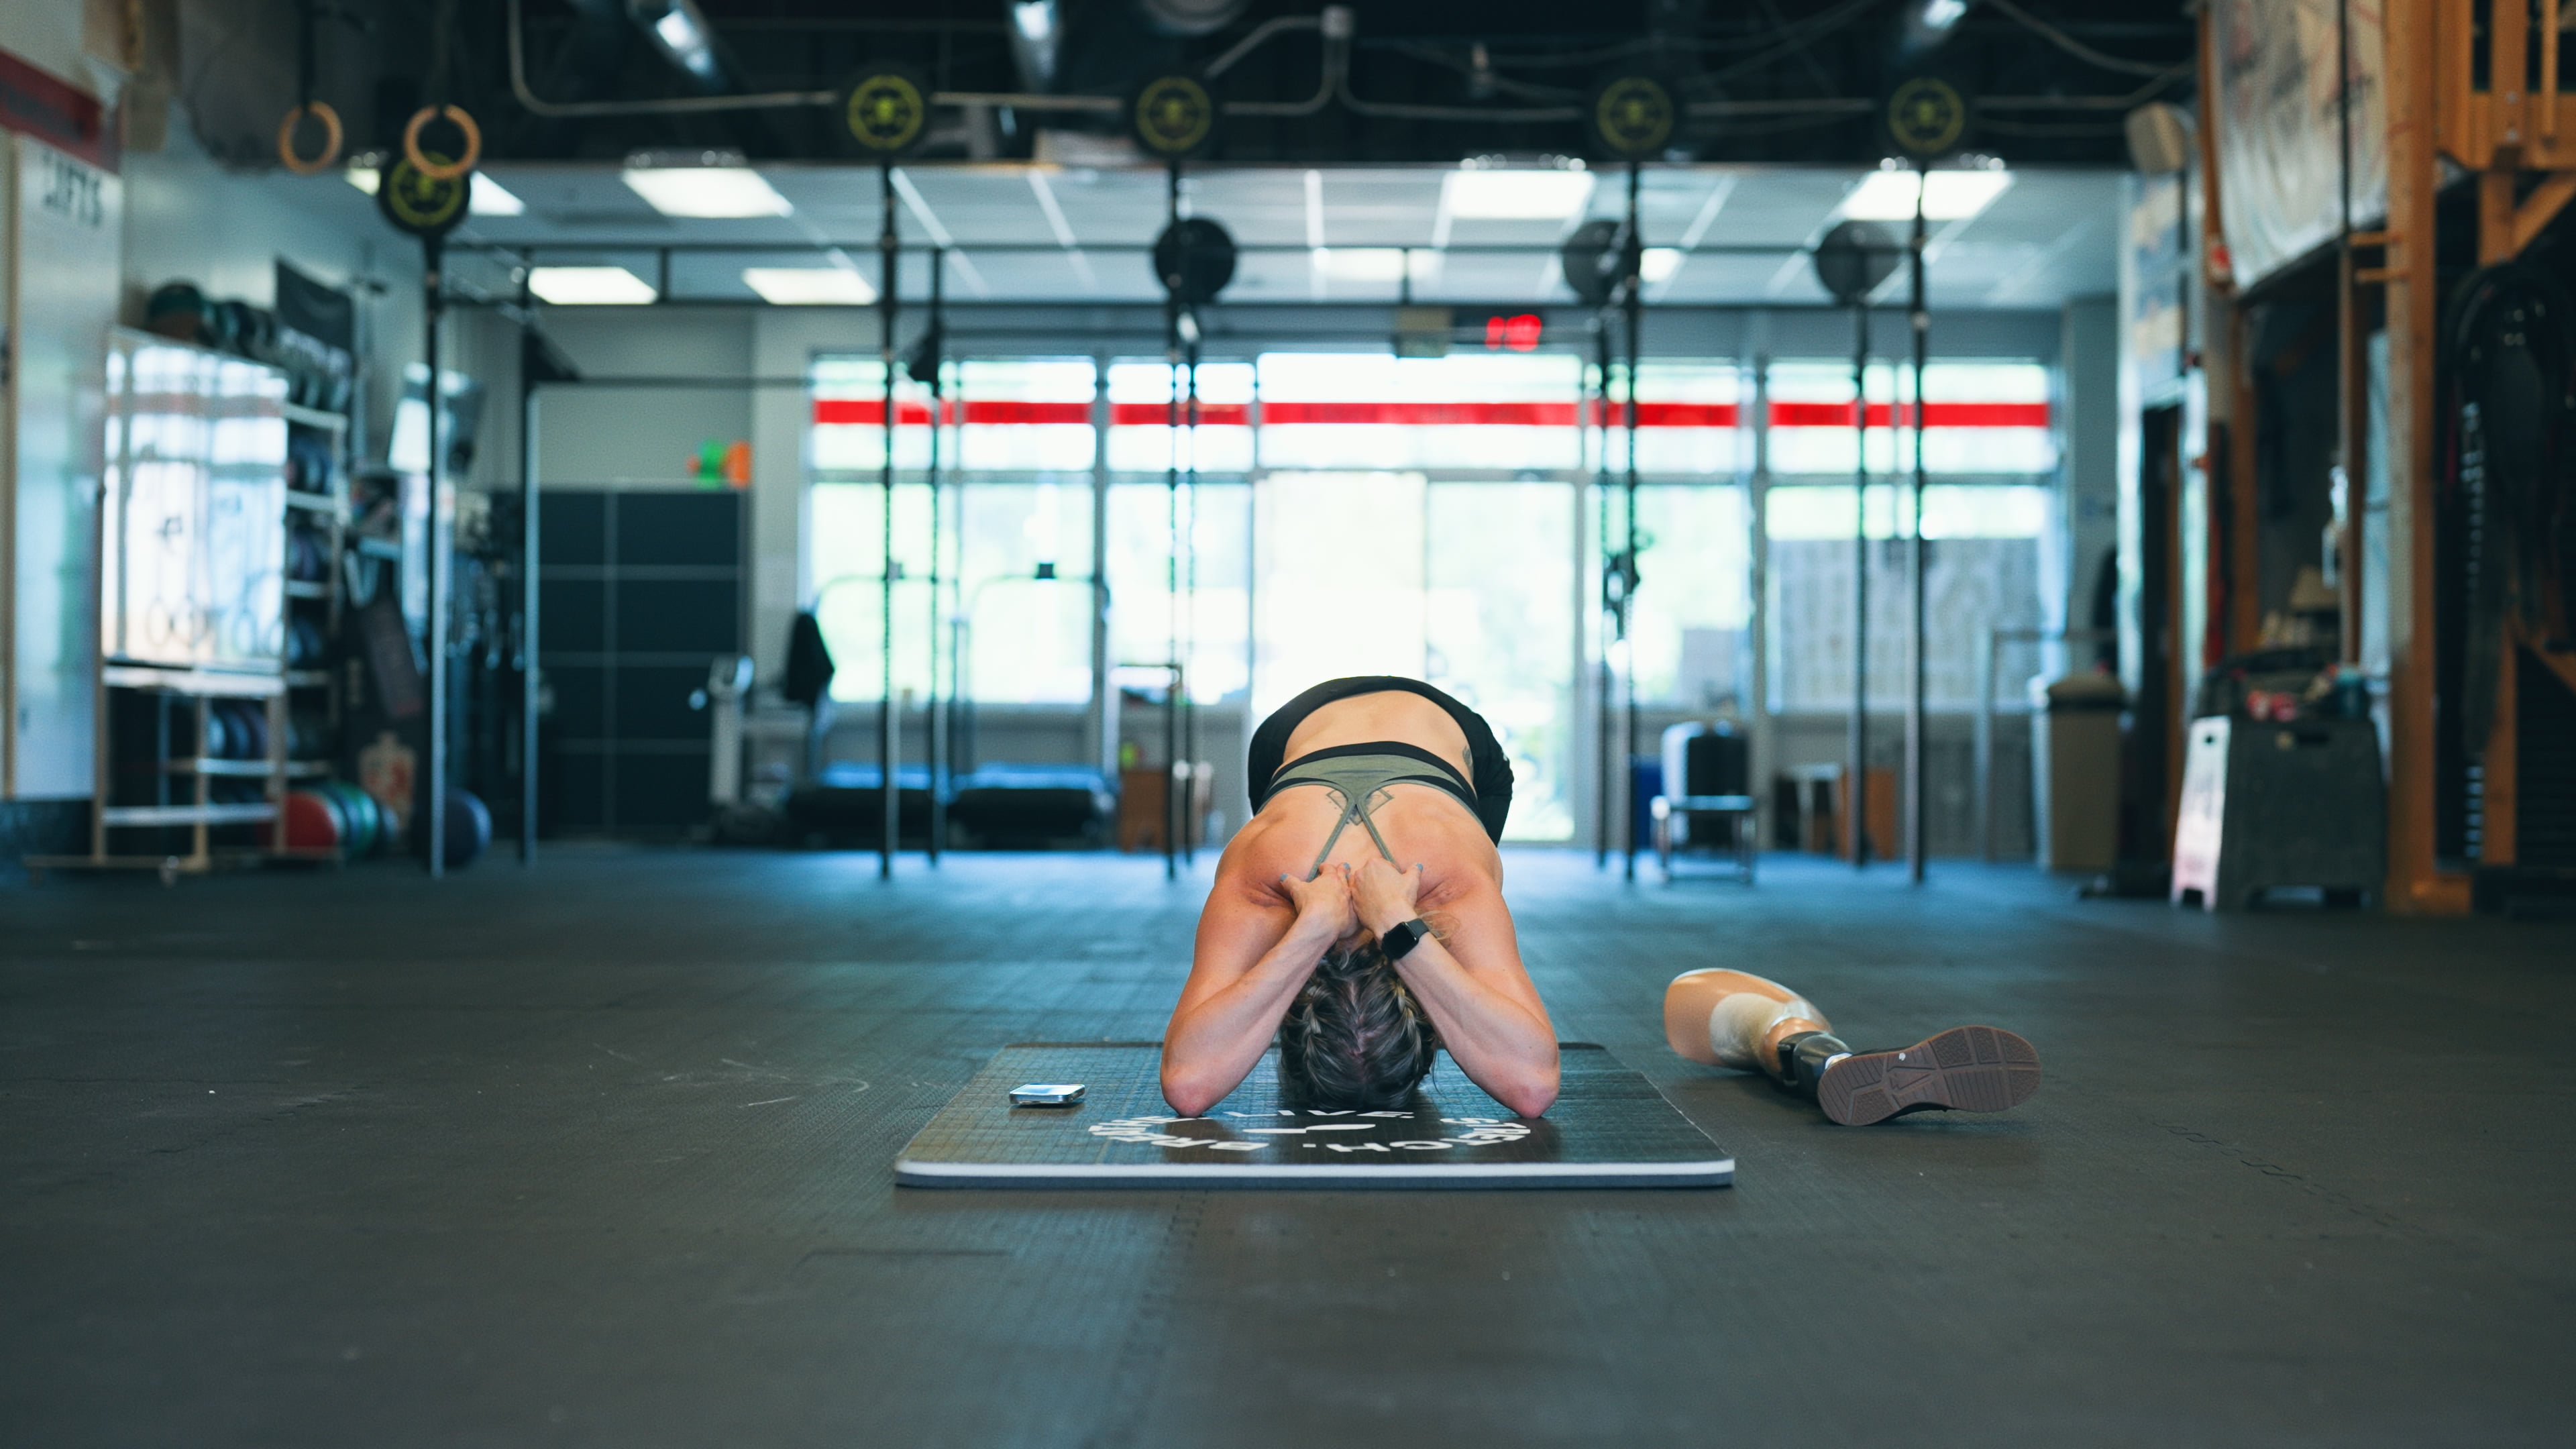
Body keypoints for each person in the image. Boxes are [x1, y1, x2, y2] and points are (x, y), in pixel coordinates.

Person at [1161, 678, 1558, 1118]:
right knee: (1472, 958)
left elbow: (1189, 1082)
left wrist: (1318, 931)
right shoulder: (1446, 889)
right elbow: (1531, 1084)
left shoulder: (1273, 880)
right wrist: (1389, 923)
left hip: (1329, 731)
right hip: (1353, 727)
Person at [1663, 968, 2041, 1125]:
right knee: (1788, 1023)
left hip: (1735, 1020)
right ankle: (1833, 1062)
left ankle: (1830, 1065)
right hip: (1752, 1022)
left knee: (1782, 1027)